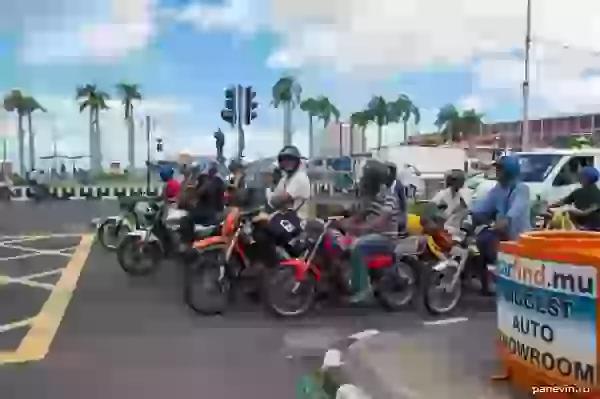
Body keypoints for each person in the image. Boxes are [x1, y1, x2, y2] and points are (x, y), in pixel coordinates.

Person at [335, 159, 401, 303]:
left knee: (357, 245)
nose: (363, 180)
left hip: (385, 239)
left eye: (366, 177)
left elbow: (378, 224)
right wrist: (338, 223)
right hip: (372, 236)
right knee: (339, 243)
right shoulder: (373, 198)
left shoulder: (389, 197)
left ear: (374, 179)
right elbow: (359, 216)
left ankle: (363, 289)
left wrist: (356, 228)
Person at [471, 155, 531, 294]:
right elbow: (484, 205)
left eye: (500, 169)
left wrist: (505, 220)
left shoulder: (521, 189)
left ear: (509, 171)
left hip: (517, 235)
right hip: (500, 232)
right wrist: (473, 213)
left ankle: (505, 282)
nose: (497, 172)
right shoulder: (498, 189)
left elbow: (516, 210)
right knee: (481, 243)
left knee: (492, 246)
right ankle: (486, 283)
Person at [549, 166, 600, 230]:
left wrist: (549, 206)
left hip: (582, 228)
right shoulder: (598, 193)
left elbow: (562, 202)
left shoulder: (578, 192)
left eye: (581, 176)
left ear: (586, 178)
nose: (579, 178)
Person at [269, 145, 311, 219]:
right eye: (284, 160)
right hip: (285, 219)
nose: (287, 163)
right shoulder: (285, 178)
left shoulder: (300, 177)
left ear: (297, 161)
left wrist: (276, 199)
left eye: (291, 160)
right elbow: (273, 200)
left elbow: (281, 199)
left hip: (298, 221)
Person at [431, 169, 471, 235]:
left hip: (454, 229)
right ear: (454, 181)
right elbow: (432, 213)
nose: (463, 182)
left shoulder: (460, 196)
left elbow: (465, 214)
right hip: (442, 229)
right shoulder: (442, 195)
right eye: (462, 180)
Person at [385, 161, 408, 232]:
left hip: (395, 221)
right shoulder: (383, 186)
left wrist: (402, 222)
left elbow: (403, 205)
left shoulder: (398, 186)